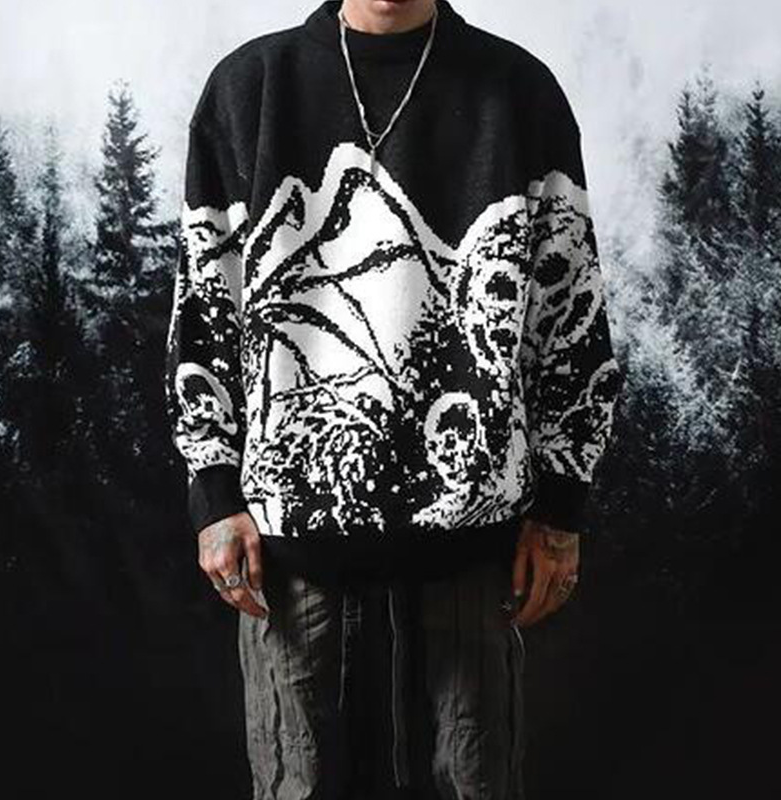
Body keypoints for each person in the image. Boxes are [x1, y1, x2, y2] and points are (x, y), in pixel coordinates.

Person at [164, 0, 623, 796]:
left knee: (476, 784)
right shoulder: (250, 87)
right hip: (291, 548)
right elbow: (206, 305)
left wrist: (560, 508)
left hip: (473, 543)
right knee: (300, 786)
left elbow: (569, 312)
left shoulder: (518, 90)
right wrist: (213, 491)